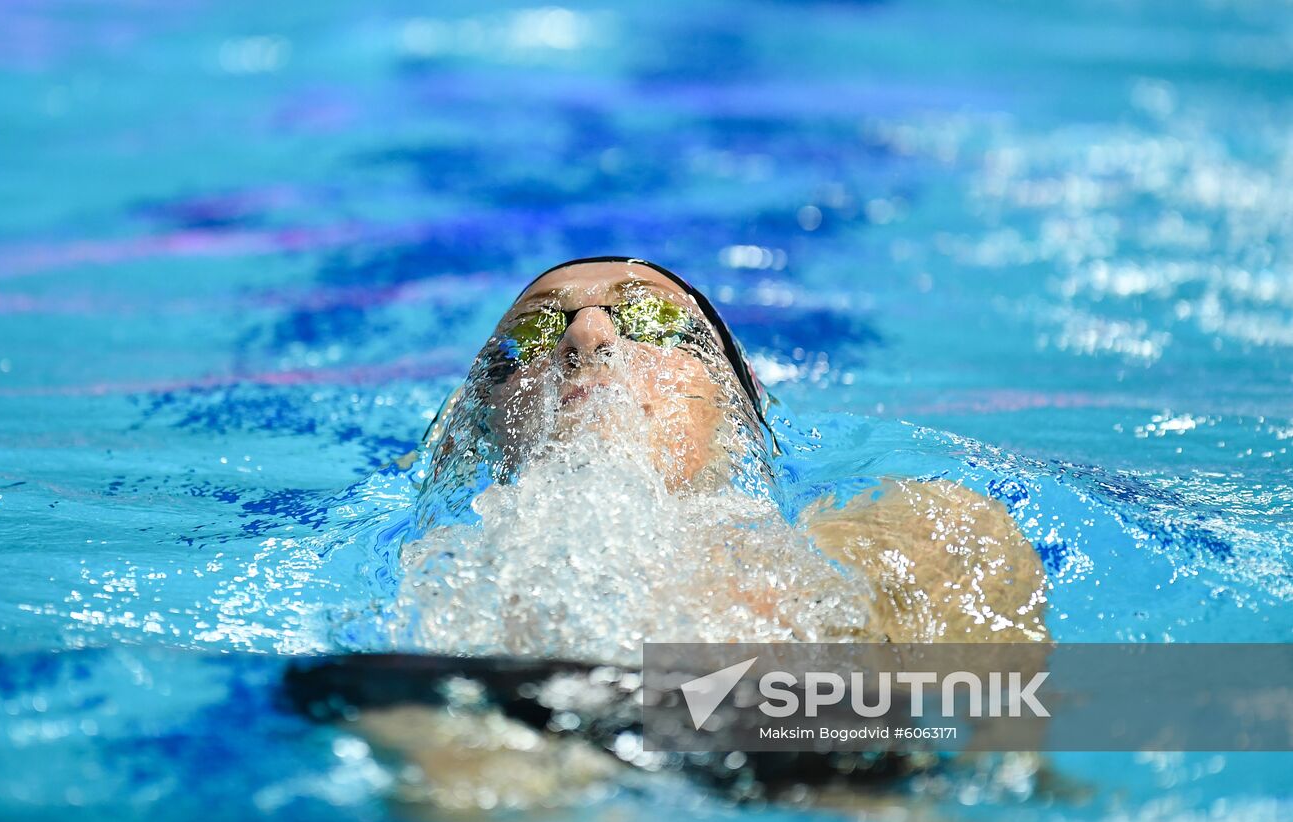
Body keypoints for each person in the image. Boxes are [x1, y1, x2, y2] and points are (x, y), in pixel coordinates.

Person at [398, 256, 1048, 653]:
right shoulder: (427, 602)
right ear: (470, 431)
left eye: (651, 320)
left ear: (737, 409)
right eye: (536, 328)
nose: (586, 335)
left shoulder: (916, 541)